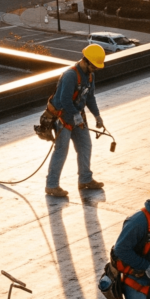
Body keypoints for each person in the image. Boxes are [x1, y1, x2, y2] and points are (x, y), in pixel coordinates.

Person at [45, 44, 106, 198]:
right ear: (85, 61)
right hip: (63, 118)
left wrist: (97, 115)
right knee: (61, 151)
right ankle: (52, 185)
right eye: (93, 67)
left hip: (77, 117)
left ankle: (85, 179)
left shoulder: (90, 75)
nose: (95, 70)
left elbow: (90, 97)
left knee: (85, 145)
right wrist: (76, 116)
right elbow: (65, 100)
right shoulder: (70, 75)